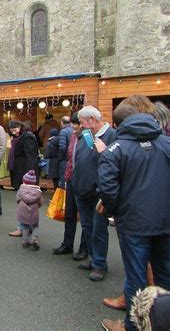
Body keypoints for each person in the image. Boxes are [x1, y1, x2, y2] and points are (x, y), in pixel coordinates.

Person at [98, 104, 170, 331]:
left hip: (132, 224)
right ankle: (163, 322)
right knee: (165, 273)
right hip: (166, 221)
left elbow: (108, 190)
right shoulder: (167, 144)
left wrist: (112, 211)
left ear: (118, 124)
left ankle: (132, 325)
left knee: (136, 277)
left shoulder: (114, 149)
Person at [73, 106, 116, 282]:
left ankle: (99, 264)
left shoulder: (112, 136)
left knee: (99, 229)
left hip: (99, 191)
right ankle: (92, 258)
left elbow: (116, 164)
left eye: (83, 122)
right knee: (87, 227)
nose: (81, 126)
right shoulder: (86, 136)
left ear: (92, 119)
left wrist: (105, 152)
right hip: (81, 189)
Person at [51, 113, 87, 260]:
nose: (72, 127)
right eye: (72, 123)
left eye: (75, 124)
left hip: (84, 182)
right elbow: (69, 159)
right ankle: (67, 244)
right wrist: (66, 178)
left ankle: (84, 248)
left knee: (85, 217)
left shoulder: (89, 139)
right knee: (69, 214)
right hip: (71, 180)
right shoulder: (73, 136)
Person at [16, 170, 43, 250]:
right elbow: (40, 203)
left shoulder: (21, 190)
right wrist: (37, 206)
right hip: (34, 211)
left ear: (24, 181)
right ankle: (34, 239)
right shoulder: (38, 192)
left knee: (25, 226)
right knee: (35, 225)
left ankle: (25, 241)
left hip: (23, 211)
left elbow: (17, 199)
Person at [57, 115, 72, 188]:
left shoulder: (63, 132)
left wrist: (60, 158)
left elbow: (62, 147)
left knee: (63, 178)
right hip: (73, 158)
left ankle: (62, 198)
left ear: (62, 122)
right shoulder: (74, 130)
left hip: (65, 159)